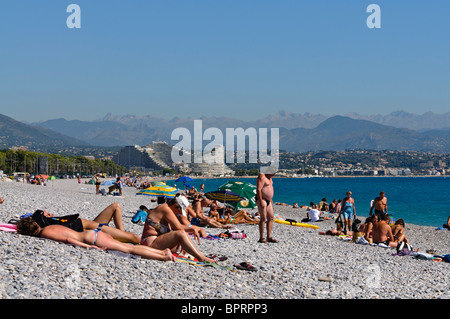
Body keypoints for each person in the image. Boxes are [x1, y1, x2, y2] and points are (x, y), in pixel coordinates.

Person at [16, 217, 175, 262]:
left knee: (130, 249)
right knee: (127, 247)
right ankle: (161, 253)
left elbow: (68, 240)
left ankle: (162, 255)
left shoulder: (46, 233)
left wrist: (90, 248)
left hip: (92, 239)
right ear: (34, 223)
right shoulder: (48, 227)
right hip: (92, 234)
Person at [140, 194, 215, 263]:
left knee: (181, 234)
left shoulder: (167, 209)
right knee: (181, 233)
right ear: (175, 205)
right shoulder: (165, 208)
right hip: (149, 243)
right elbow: (178, 226)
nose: (179, 213)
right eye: (180, 210)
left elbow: (177, 227)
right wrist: (192, 229)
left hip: (155, 242)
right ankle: (201, 257)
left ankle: (199, 255)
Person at [31, 202, 140, 244]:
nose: (51, 214)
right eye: (47, 215)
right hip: (96, 229)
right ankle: (126, 237)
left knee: (115, 206)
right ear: (43, 221)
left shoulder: (57, 223)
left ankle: (122, 233)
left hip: (94, 223)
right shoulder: (53, 227)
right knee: (134, 238)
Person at [256, 169, 278, 243]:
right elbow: (258, 189)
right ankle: (261, 238)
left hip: (268, 200)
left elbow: (269, 188)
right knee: (263, 218)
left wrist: (270, 198)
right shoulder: (262, 176)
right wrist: (261, 200)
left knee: (271, 217)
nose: (273, 175)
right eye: (272, 173)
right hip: (262, 199)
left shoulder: (270, 178)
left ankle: (269, 236)